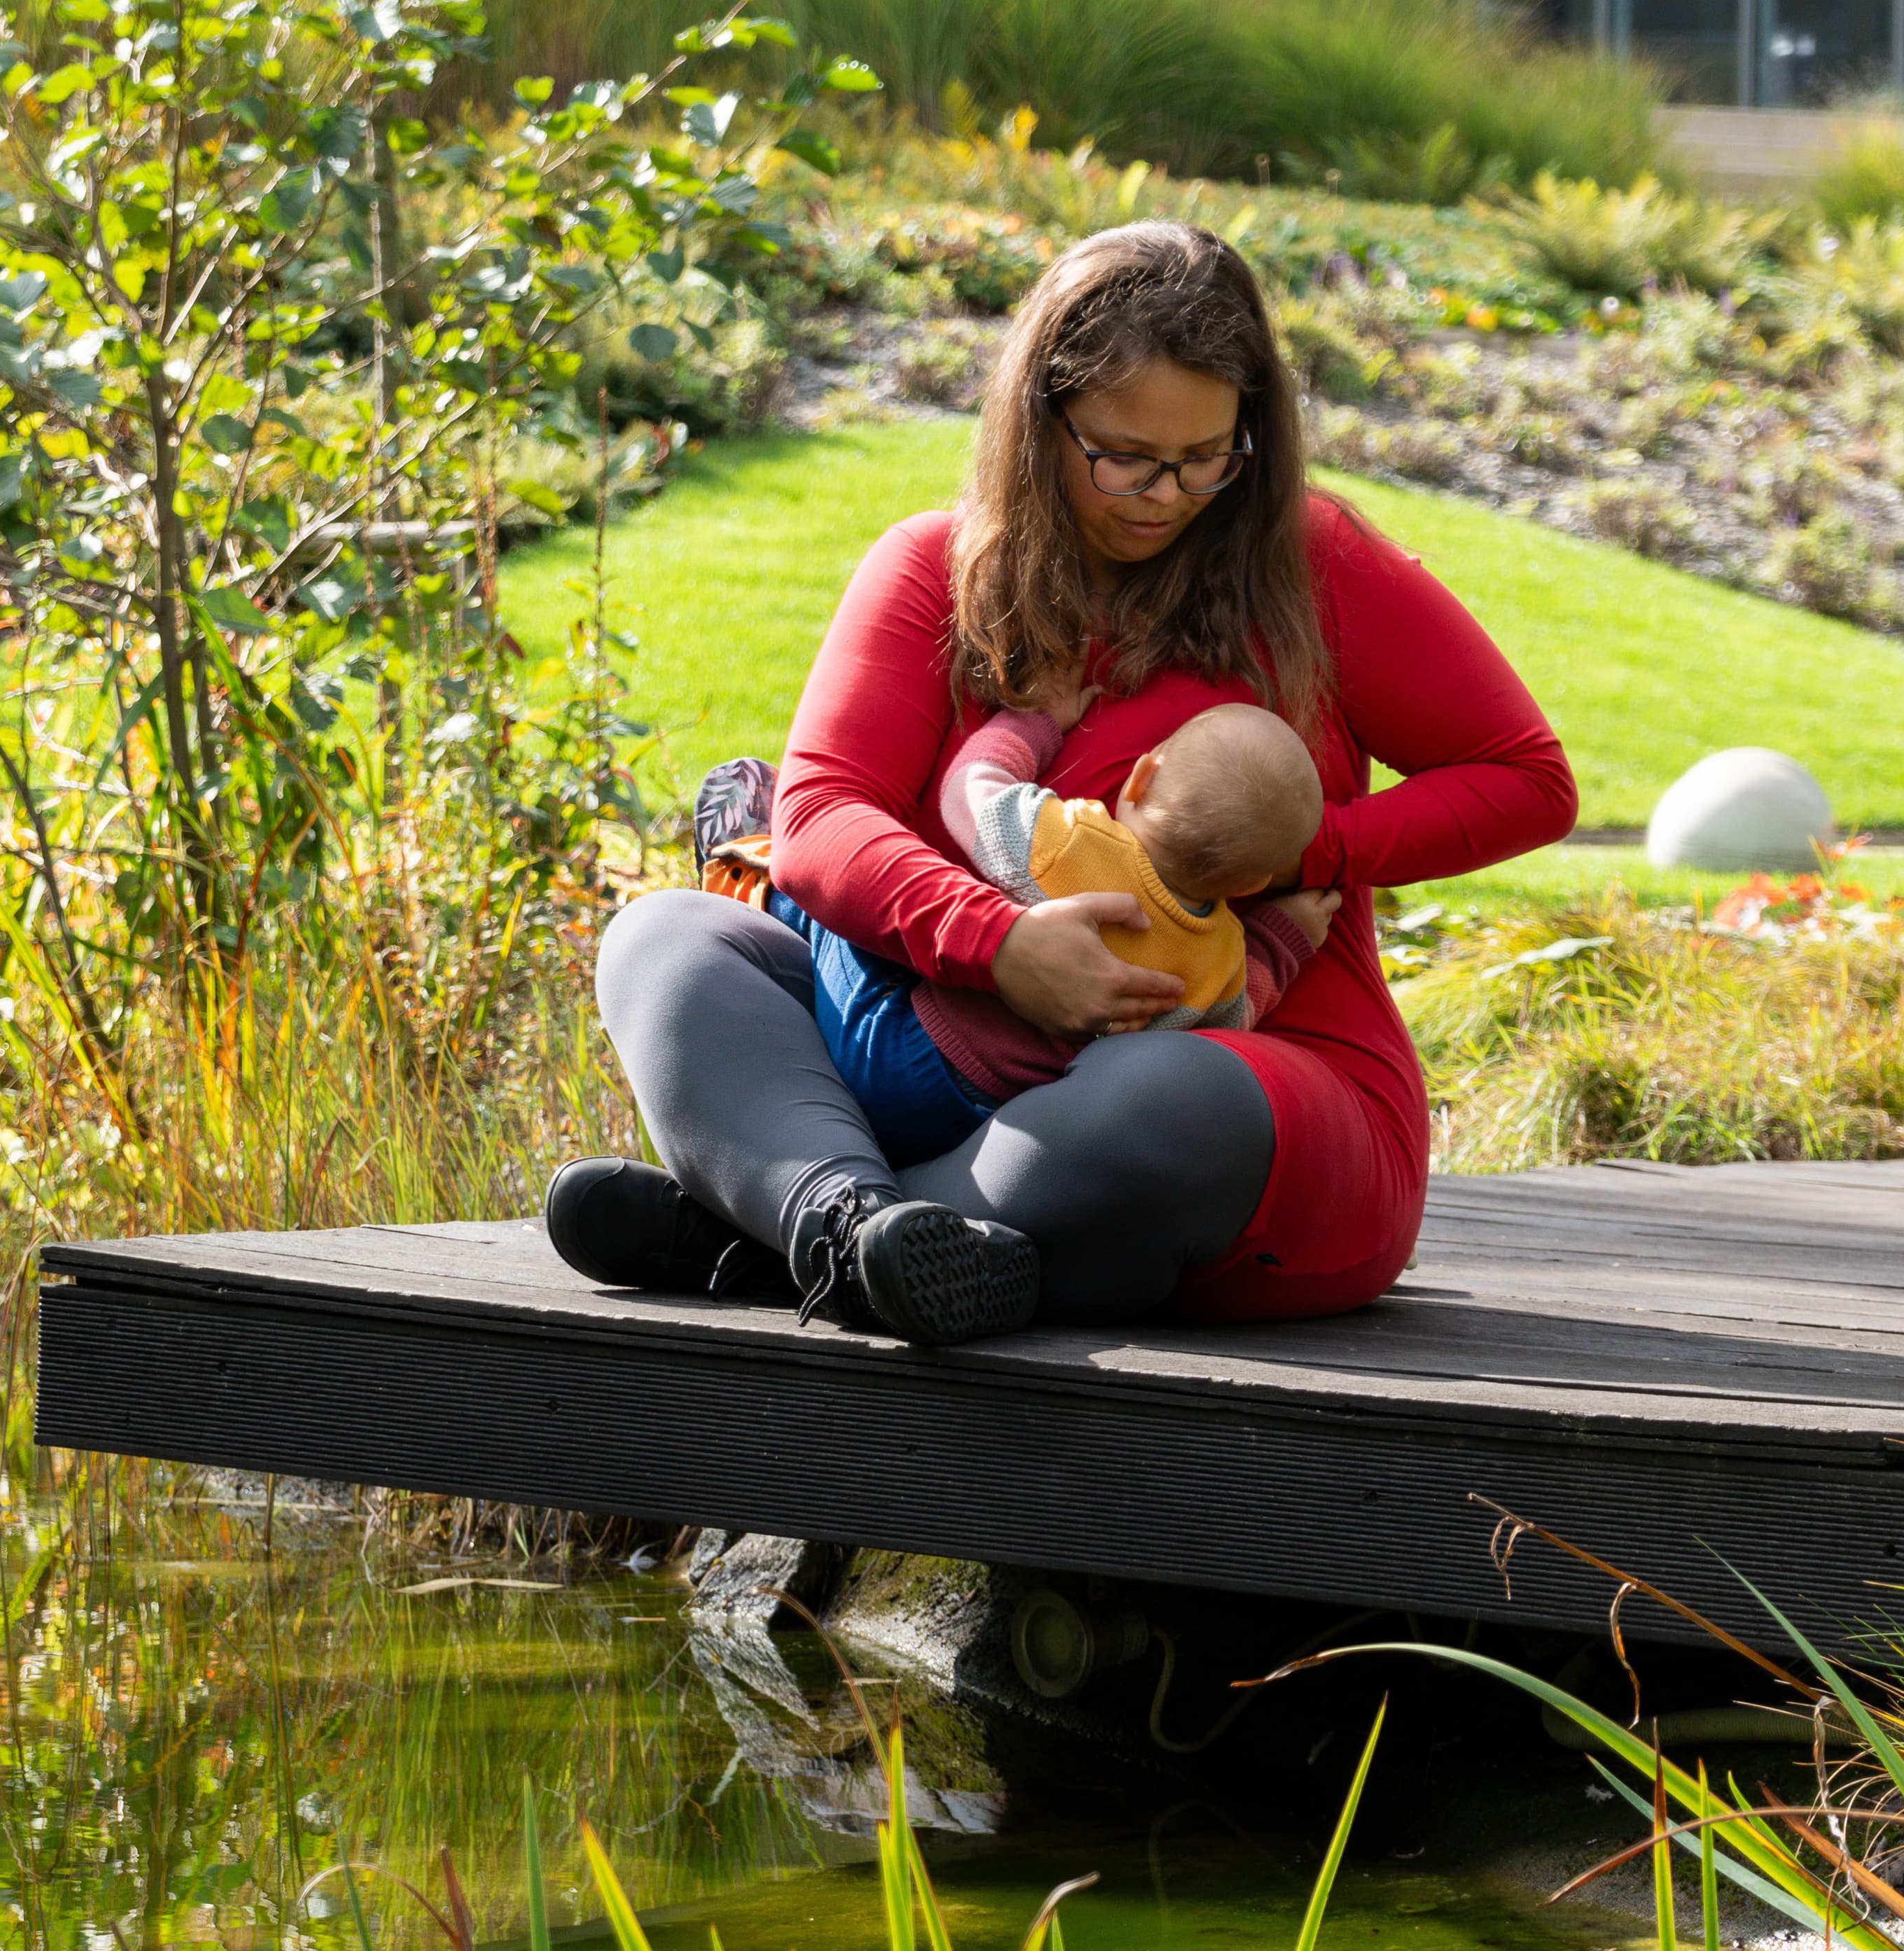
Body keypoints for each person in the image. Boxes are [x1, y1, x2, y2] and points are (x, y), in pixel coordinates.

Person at [544, 217, 1576, 1346]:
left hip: (1253, 1096)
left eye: (1207, 458)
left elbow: (1526, 780)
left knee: (1170, 1091)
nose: (1166, 494)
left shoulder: (1311, 565)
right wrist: (999, 944)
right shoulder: (930, 574)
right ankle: (856, 1230)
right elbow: (820, 819)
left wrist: (1302, 853)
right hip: (937, 1046)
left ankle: (776, 1237)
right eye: (1123, 454)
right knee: (669, 944)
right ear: (1039, 421)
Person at [702, 696, 1339, 1164]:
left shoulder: (1073, 844)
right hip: (998, 1126)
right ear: (1254, 884)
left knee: (851, 913)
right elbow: (1239, 1017)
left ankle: (756, 870)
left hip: (904, 1060)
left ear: (1142, 778)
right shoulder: (1220, 959)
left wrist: (1032, 723)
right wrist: (1284, 940)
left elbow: (969, 790)